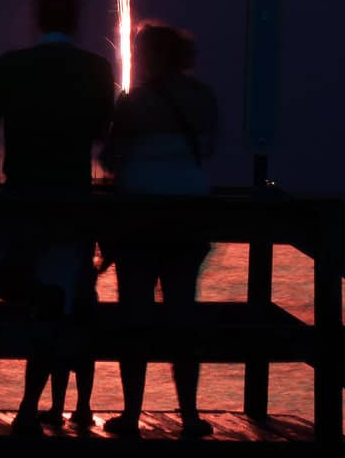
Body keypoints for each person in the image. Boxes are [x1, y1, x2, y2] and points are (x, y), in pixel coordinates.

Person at [0, 0, 114, 434]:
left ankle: (30, 405)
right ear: (76, 21)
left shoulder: (11, 66)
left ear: (38, 20)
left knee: (24, 292)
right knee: (59, 302)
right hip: (71, 202)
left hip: (20, 200)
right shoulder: (96, 68)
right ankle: (32, 407)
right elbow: (100, 131)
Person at [101, 22, 218, 441]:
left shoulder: (133, 102)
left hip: (140, 216)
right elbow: (208, 149)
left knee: (134, 316)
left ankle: (131, 415)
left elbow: (112, 159)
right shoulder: (203, 97)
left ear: (150, 55)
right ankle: (189, 416)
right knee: (182, 315)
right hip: (189, 215)